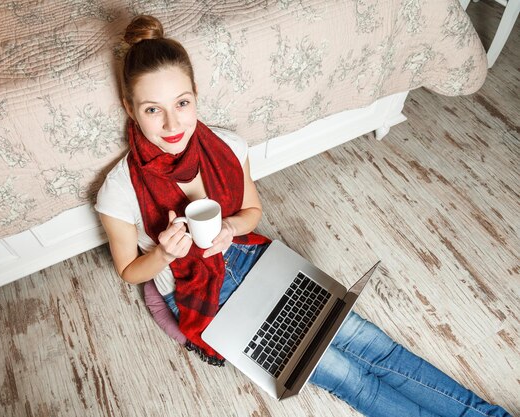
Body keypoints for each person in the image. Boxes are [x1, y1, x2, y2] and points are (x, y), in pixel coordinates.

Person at [96, 14, 511, 417]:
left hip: (253, 259)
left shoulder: (227, 145)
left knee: (370, 342)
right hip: (201, 292)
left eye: (182, 103)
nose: (172, 123)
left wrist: (229, 227)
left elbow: (251, 211)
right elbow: (130, 271)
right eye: (153, 110)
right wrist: (166, 254)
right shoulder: (119, 188)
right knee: (345, 374)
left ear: (195, 95)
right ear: (129, 108)